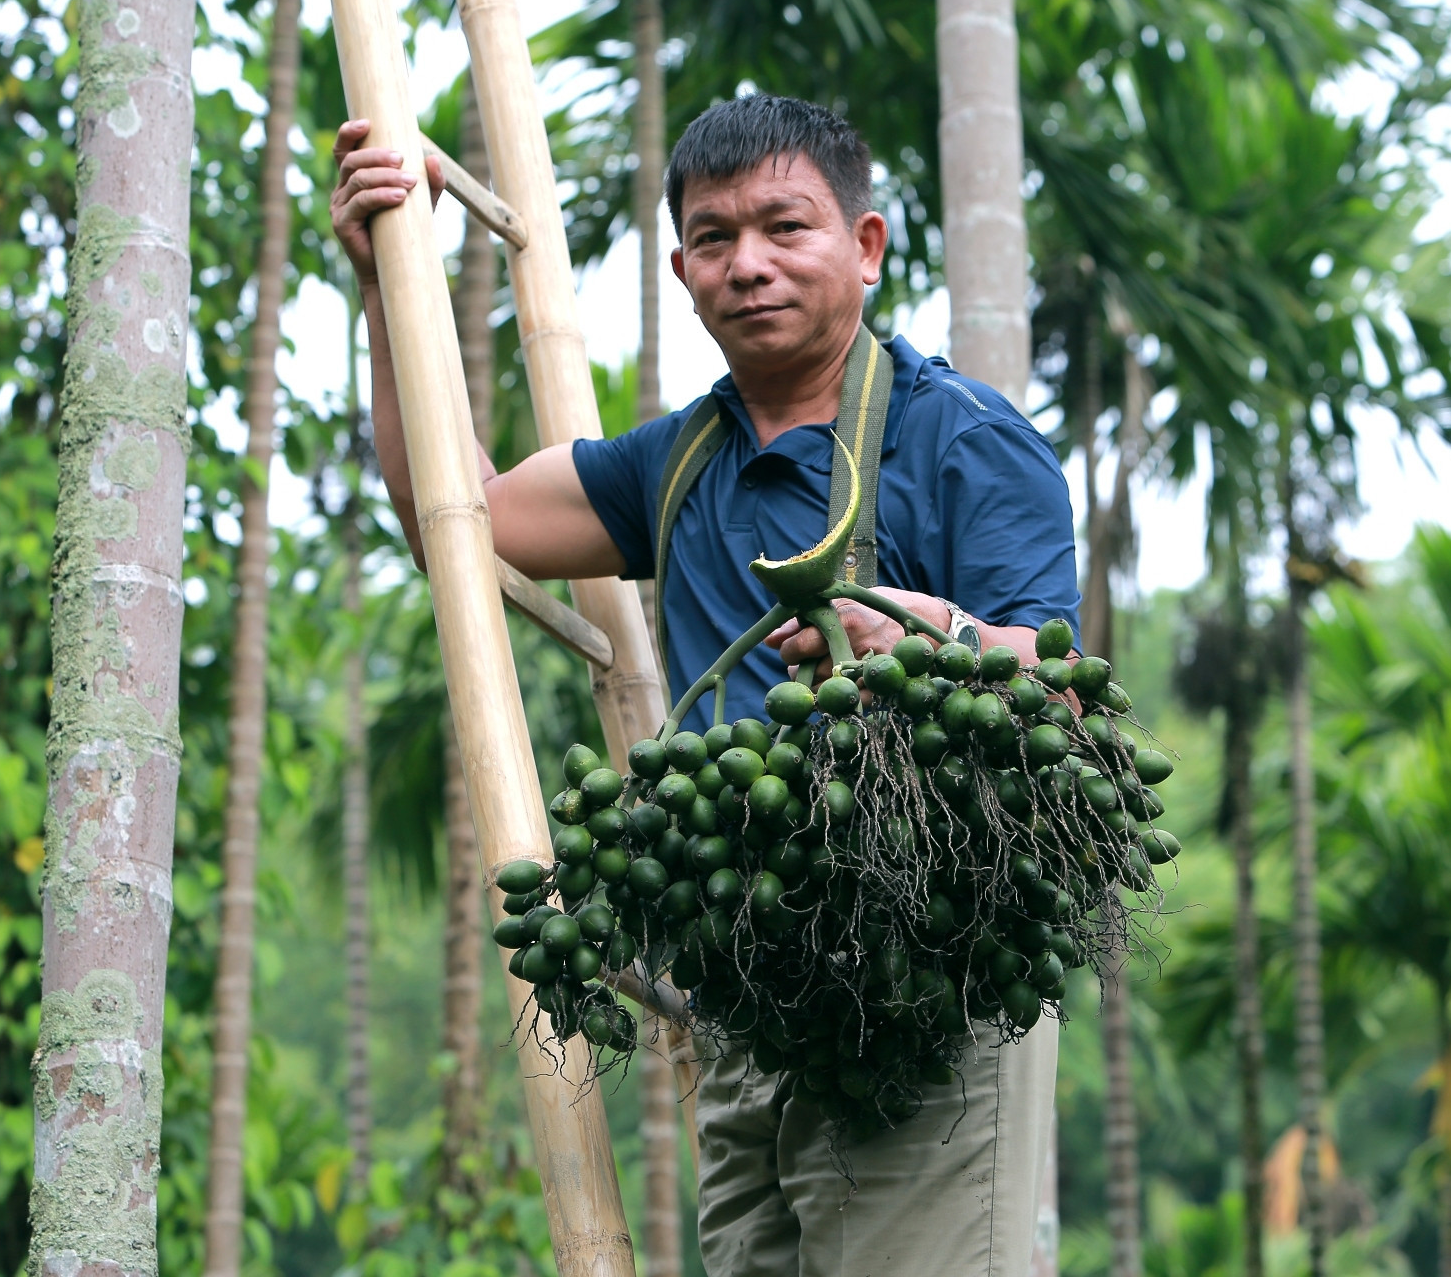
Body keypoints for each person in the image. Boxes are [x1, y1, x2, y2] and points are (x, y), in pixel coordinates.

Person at [333, 92, 1078, 1277]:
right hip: (749, 998)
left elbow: (1063, 693)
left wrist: (928, 633)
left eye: (787, 228)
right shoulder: (675, 461)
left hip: (927, 987)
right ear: (681, 268)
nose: (750, 265)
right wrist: (388, 282)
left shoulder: (965, 440)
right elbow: (459, 521)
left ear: (867, 246)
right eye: (717, 238)